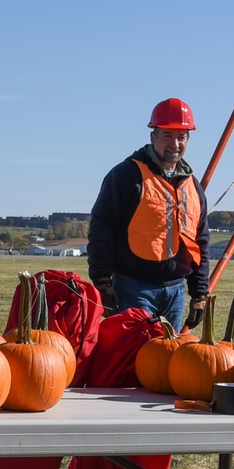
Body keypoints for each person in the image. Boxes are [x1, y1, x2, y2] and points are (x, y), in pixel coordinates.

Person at [88, 97, 211, 332]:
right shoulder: (126, 176)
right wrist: (103, 281)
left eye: (181, 137)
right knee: (133, 357)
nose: (175, 143)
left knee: (165, 361)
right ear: (153, 136)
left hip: (176, 292)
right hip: (133, 288)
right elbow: (102, 229)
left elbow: (200, 242)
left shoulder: (193, 186)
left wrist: (199, 293)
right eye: (167, 135)